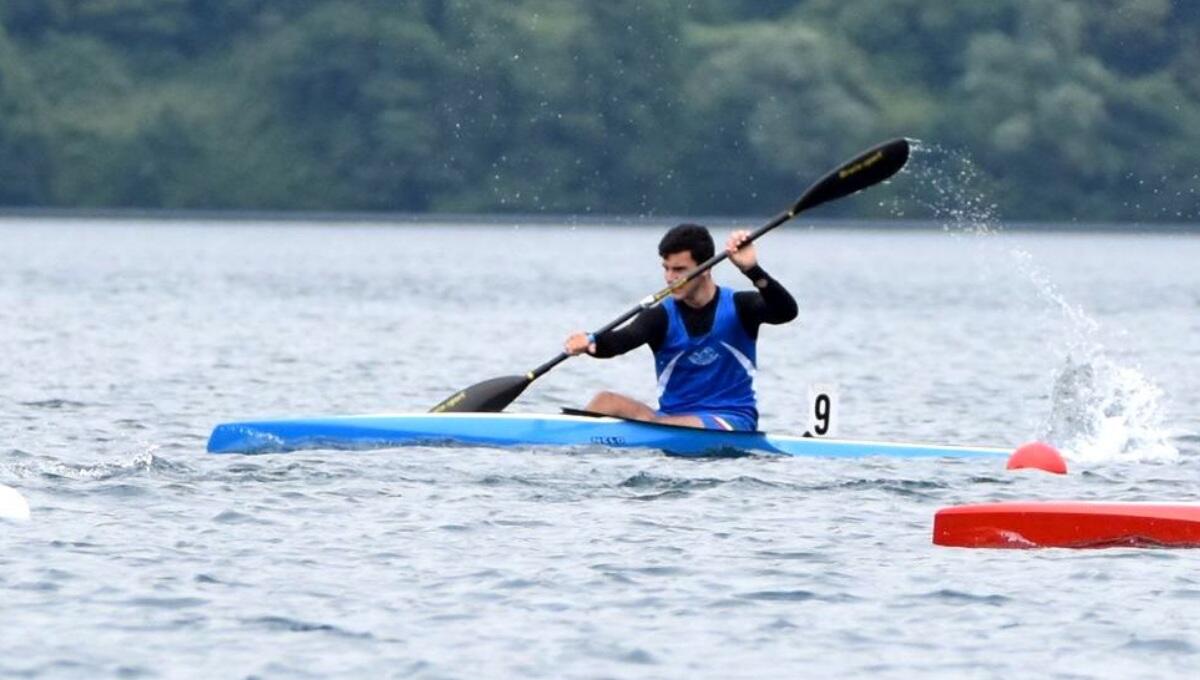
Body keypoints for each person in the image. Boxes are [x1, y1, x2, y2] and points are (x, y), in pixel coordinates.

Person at [563, 223, 797, 431]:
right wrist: (590, 341)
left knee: (660, 426)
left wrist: (752, 270)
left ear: (705, 267)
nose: (669, 278)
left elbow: (786, 311)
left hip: (730, 420)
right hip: (670, 419)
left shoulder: (740, 306)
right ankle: (568, 443)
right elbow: (622, 340)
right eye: (666, 268)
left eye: (679, 270)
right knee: (605, 401)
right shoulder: (661, 315)